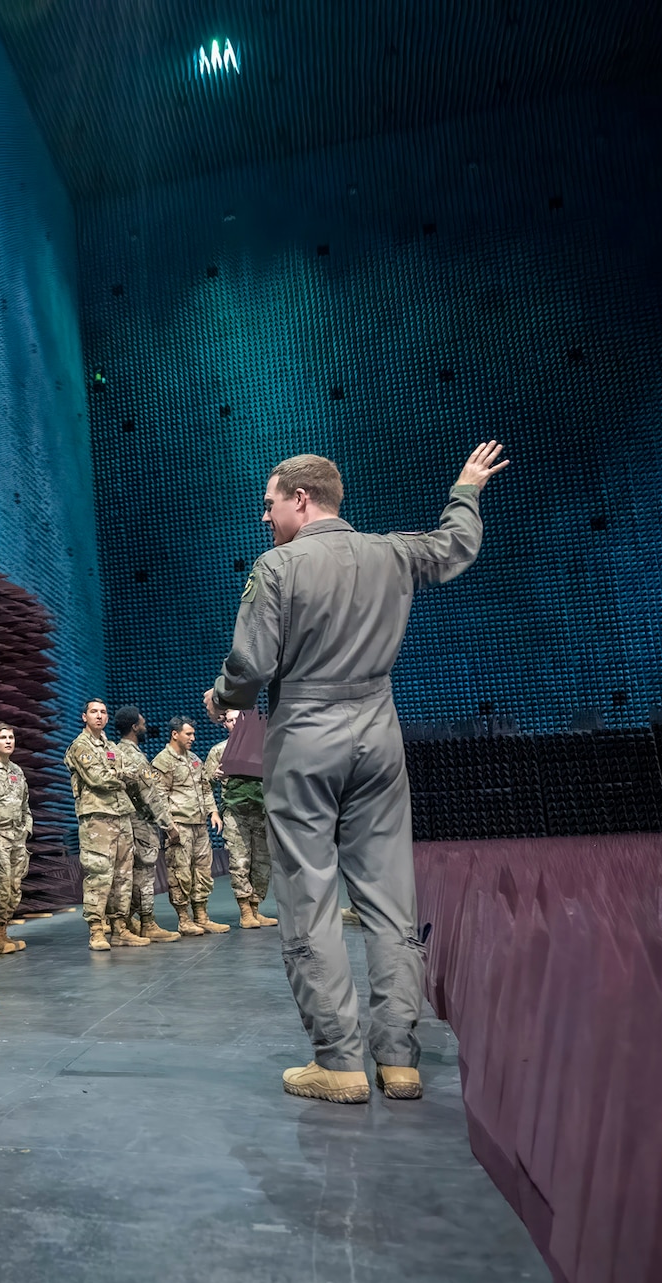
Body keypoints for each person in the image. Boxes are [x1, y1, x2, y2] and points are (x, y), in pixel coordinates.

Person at [205, 442, 507, 1104]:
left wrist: (223, 697)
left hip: (307, 738)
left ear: (302, 499)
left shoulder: (277, 566)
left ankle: (338, 1061)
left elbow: (251, 666)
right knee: (391, 898)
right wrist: (465, 490)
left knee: (310, 897)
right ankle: (400, 1059)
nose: (265, 516)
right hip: (378, 736)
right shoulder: (392, 552)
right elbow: (455, 545)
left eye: (270, 503)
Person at [63, 700, 134, 952]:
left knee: (123, 874)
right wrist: (122, 776)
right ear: (84, 717)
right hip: (97, 816)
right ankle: (96, 930)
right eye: (94, 712)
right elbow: (98, 778)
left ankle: (120, 928)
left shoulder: (111, 746)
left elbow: (128, 771)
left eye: (104, 712)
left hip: (121, 813)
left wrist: (121, 776)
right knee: (99, 873)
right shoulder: (80, 746)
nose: (99, 716)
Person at [111, 706, 181, 945]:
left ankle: (129, 921)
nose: (144, 725)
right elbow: (150, 794)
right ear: (134, 727)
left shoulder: (116, 751)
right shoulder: (134, 756)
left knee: (129, 875)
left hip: (127, 823)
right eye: (141, 722)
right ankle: (148, 923)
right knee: (144, 874)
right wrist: (169, 825)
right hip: (141, 824)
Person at [154, 717, 228, 936]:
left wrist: (213, 812)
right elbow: (159, 797)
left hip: (199, 824)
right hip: (179, 826)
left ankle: (202, 916)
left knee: (203, 871)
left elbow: (205, 789)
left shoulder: (194, 759)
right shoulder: (163, 761)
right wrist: (169, 826)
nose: (193, 738)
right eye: (188, 734)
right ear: (175, 734)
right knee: (180, 873)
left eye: (194, 734)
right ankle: (184, 919)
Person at [204, 710, 277, 929]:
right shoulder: (218, 751)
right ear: (223, 724)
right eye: (229, 720)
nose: (234, 723)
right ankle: (245, 911)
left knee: (262, 862)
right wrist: (213, 810)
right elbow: (205, 785)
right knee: (240, 861)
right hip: (236, 813)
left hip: (261, 812)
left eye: (238, 719)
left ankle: (256, 908)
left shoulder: (263, 747)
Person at [0, 724, 33, 954]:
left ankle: (2, 929)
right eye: (3, 738)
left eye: (11, 737)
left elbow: (25, 805)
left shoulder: (17, 771)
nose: (8, 741)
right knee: (0, 886)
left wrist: (26, 829)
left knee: (14, 886)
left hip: (17, 837)